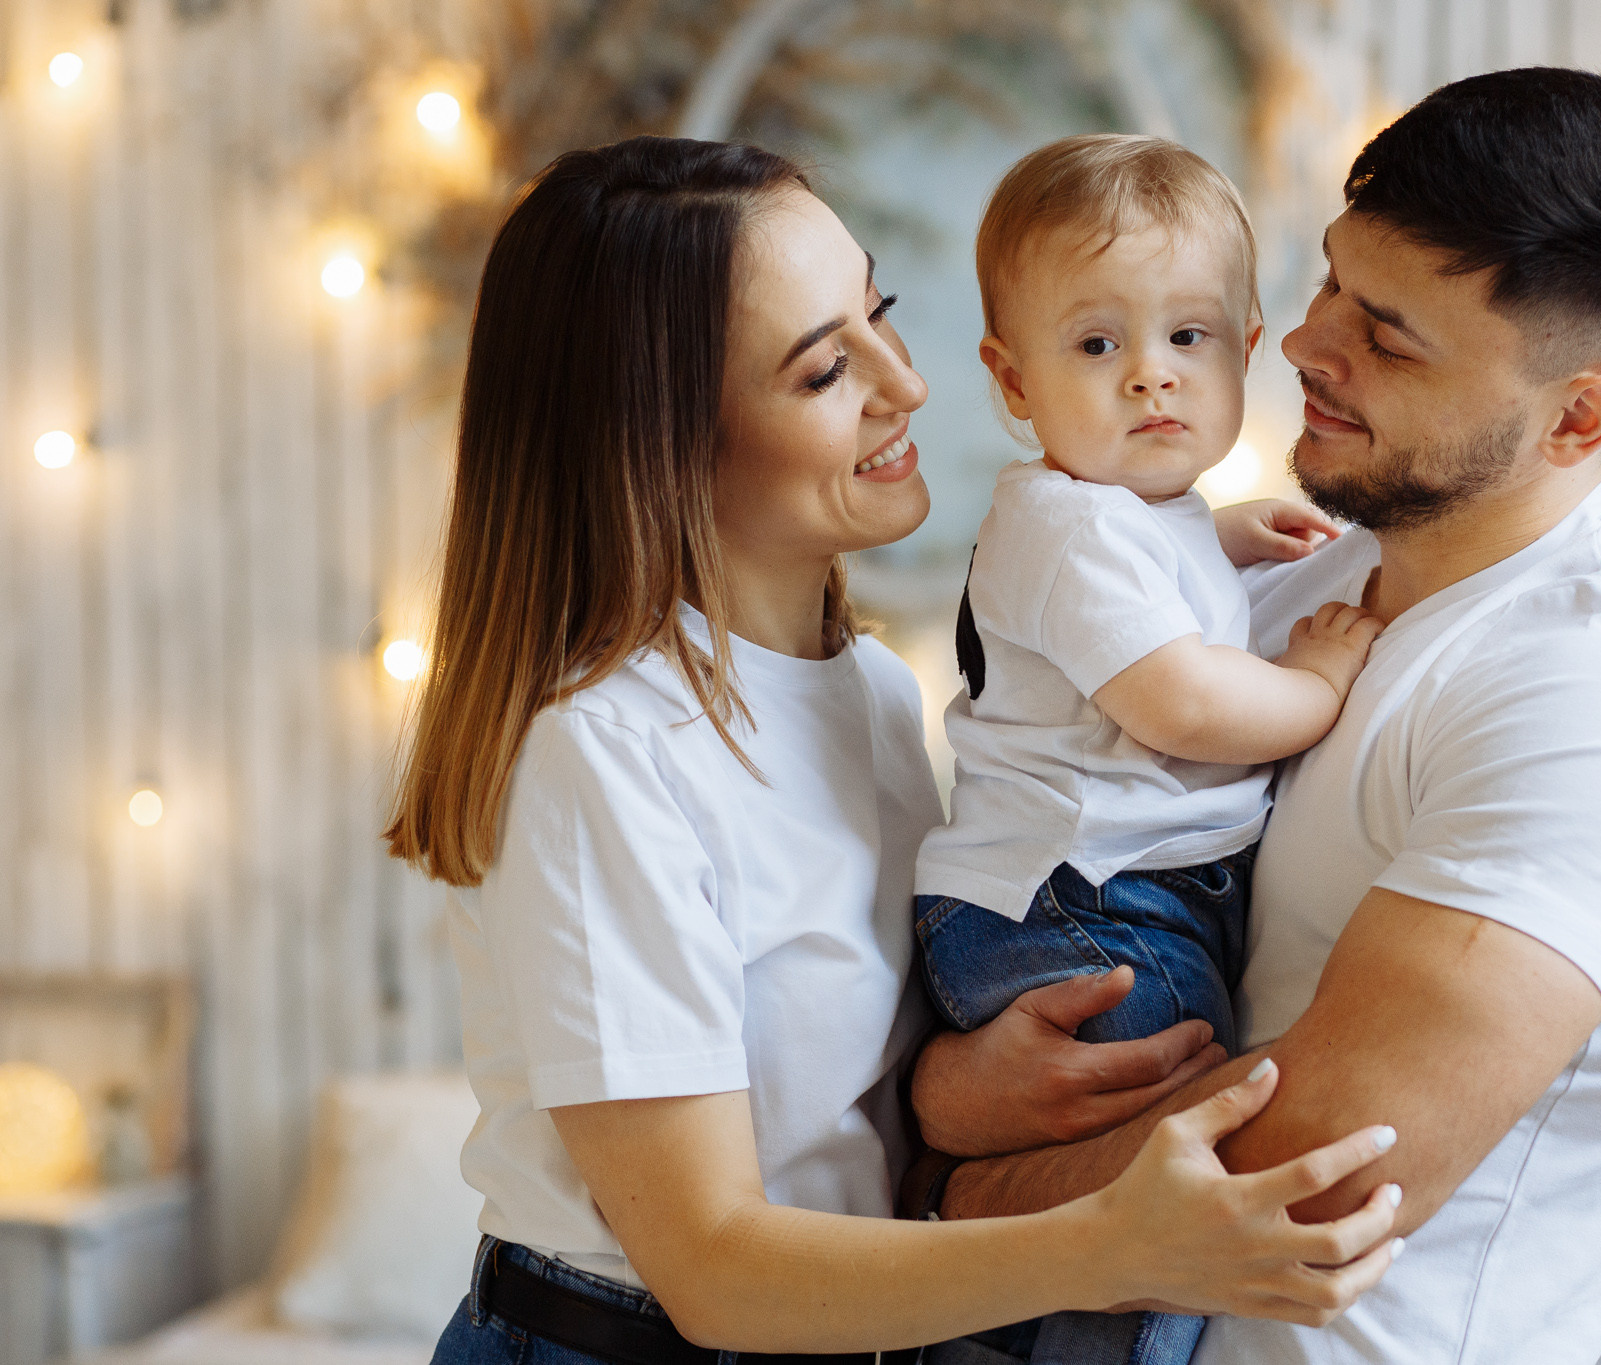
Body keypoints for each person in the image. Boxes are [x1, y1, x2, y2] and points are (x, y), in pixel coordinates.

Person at [383, 135, 1405, 1365]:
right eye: (825, 370)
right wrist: (1114, 1244)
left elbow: (828, 1097)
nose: (906, 385)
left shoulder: (864, 687)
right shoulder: (601, 751)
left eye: (880, 313)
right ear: (662, 438)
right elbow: (712, 1268)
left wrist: (946, 1092)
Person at [909, 67, 1601, 1365]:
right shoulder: (1282, 583)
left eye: (1389, 336)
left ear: (1579, 416)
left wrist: (944, 1197)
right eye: (1329, 282)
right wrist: (950, 1091)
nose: (1304, 345)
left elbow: (1314, 1170)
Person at [916, 133, 1383, 1365]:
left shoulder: (1133, 519)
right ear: (1012, 381)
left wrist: (1218, 537)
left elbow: (1133, 575)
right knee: (1175, 1182)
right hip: (1086, 908)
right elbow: (1179, 704)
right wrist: (1318, 680)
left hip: (1092, 898)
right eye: (1094, 346)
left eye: (1187, 337)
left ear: (1243, 348)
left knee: (1115, 1180)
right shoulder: (1065, 526)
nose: (1148, 378)